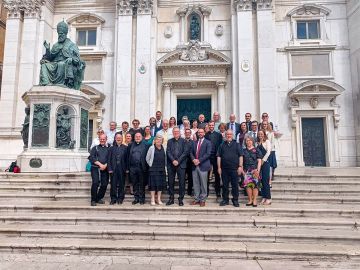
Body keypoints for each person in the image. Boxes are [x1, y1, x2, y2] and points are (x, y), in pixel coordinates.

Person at [217, 129, 243, 207]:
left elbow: (241, 156)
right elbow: (219, 156)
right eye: (227, 134)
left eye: (230, 134)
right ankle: (225, 200)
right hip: (224, 169)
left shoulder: (237, 144)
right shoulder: (222, 145)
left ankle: (235, 200)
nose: (228, 136)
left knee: (235, 185)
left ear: (232, 135)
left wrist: (240, 166)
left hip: (234, 169)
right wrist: (219, 167)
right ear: (225, 135)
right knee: (225, 185)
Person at [166, 127, 189, 206]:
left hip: (181, 164)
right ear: (172, 133)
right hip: (171, 164)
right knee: (170, 182)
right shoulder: (169, 141)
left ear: (180, 132)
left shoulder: (184, 141)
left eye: (177, 131)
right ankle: (171, 198)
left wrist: (178, 161)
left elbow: (185, 152)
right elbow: (168, 152)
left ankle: (180, 199)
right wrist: (173, 160)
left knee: (182, 182)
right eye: (174, 132)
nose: (176, 133)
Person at [190, 128, 212, 207]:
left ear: (204, 133)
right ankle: (196, 199)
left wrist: (199, 160)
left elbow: (208, 154)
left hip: (203, 165)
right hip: (194, 166)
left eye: (201, 132)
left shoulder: (208, 142)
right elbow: (191, 152)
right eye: (199, 132)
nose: (200, 134)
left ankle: (203, 200)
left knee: (203, 183)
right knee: (195, 183)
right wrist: (193, 160)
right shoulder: (194, 142)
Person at [89, 134, 110, 206]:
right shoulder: (95, 148)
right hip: (95, 168)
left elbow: (110, 158)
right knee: (95, 183)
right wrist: (100, 165)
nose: (102, 140)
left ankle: (99, 198)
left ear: (106, 139)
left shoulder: (109, 148)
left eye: (104, 139)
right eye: (101, 139)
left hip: (105, 168)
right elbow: (92, 158)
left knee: (104, 184)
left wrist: (105, 165)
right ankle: (93, 200)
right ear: (99, 139)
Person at [127, 132, 148, 205]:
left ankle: (142, 199)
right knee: (134, 183)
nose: (138, 137)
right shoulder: (130, 145)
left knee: (142, 184)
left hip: (141, 167)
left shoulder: (146, 145)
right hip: (133, 167)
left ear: (142, 137)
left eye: (139, 136)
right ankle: (136, 198)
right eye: (136, 136)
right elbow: (128, 156)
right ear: (134, 137)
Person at [242, 136, 262, 207]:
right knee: (248, 186)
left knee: (255, 186)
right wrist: (242, 171)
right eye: (247, 141)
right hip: (246, 171)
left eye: (250, 140)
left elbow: (259, 161)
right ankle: (250, 200)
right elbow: (241, 161)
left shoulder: (257, 150)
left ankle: (254, 200)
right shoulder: (243, 150)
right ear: (245, 142)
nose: (248, 142)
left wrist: (258, 170)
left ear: (252, 141)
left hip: (255, 170)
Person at [146, 135, 166, 206]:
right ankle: (152, 199)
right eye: (157, 140)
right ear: (154, 141)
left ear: (162, 141)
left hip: (161, 169)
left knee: (160, 185)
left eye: (160, 140)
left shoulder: (164, 148)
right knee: (153, 185)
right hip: (153, 169)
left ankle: (159, 199)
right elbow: (147, 158)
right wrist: (151, 165)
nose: (159, 141)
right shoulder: (151, 148)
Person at [108, 133, 128, 205]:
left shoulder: (125, 148)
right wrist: (109, 168)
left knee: (122, 184)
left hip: (122, 168)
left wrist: (127, 168)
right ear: (115, 139)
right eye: (117, 138)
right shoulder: (111, 148)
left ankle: (120, 198)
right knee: (113, 184)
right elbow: (109, 159)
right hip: (113, 169)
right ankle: (113, 199)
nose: (118, 139)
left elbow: (127, 159)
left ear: (122, 139)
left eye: (120, 138)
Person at [205, 120, 223, 200]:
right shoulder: (205, 135)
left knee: (217, 176)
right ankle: (206, 191)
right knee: (206, 176)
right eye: (210, 125)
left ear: (214, 125)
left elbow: (220, 146)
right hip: (207, 158)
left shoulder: (218, 135)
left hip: (216, 157)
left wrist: (219, 156)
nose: (211, 126)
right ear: (208, 126)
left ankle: (218, 192)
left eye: (212, 125)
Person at [257, 130, 272, 205]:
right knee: (261, 181)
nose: (260, 135)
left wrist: (263, 160)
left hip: (265, 163)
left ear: (264, 134)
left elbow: (268, 152)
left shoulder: (267, 142)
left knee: (265, 181)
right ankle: (264, 197)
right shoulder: (257, 143)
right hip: (259, 164)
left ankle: (268, 198)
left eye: (261, 134)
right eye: (259, 134)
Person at [261, 121, 277, 187]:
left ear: (268, 125)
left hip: (270, 151)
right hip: (262, 151)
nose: (264, 125)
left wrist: (269, 151)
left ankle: (269, 182)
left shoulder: (271, 133)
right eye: (263, 124)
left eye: (266, 124)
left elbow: (273, 142)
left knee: (269, 167)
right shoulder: (261, 131)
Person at [184, 128, 194, 196]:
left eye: (189, 133)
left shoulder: (193, 142)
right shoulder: (182, 141)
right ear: (184, 134)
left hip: (191, 162)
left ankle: (189, 191)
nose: (187, 134)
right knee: (182, 177)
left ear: (190, 134)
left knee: (191, 178)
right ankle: (182, 191)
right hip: (183, 162)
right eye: (186, 132)